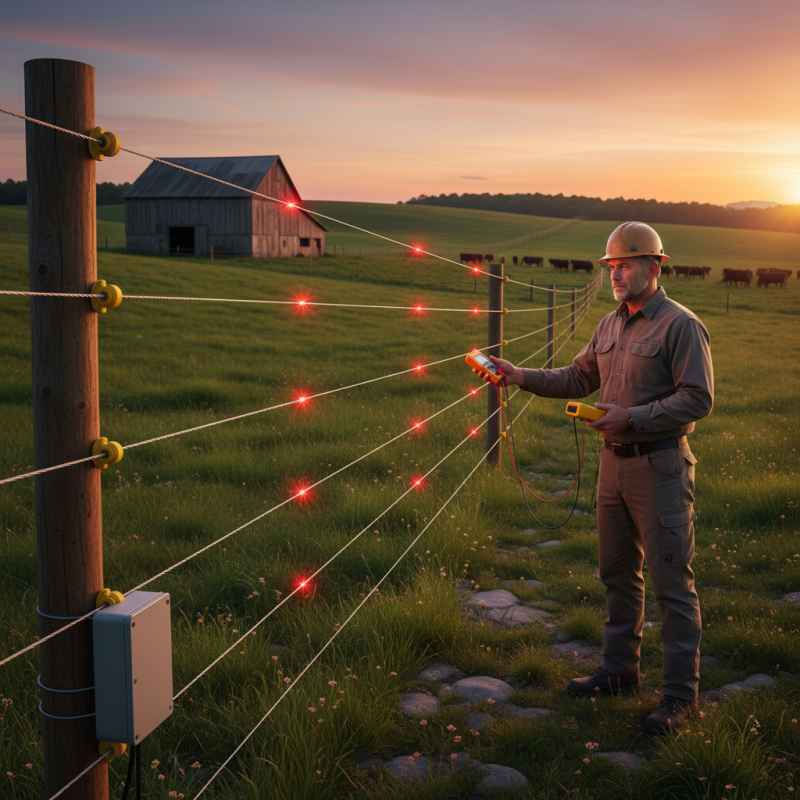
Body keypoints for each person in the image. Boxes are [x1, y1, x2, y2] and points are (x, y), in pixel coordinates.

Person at [480, 222, 713, 734]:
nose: (616, 274)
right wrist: (520, 376)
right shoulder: (610, 324)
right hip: (612, 466)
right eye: (611, 266)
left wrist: (631, 417)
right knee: (617, 573)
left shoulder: (680, 325)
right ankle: (619, 671)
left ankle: (678, 696)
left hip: (660, 466)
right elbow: (577, 377)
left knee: (672, 583)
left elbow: (698, 398)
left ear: (654, 267)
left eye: (626, 265)